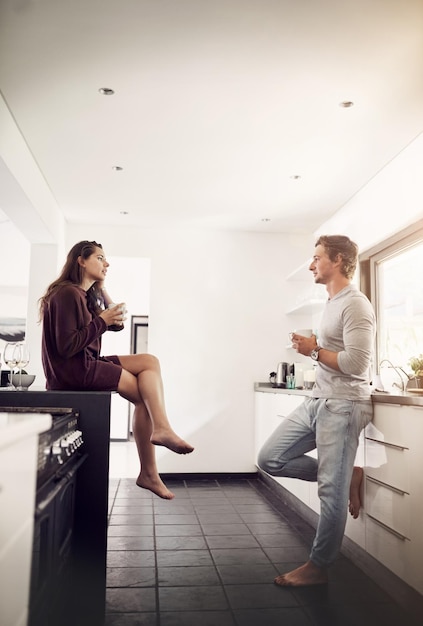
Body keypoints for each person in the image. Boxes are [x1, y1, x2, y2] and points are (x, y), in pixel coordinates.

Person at [258, 234, 375, 586]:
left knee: (330, 493)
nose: (311, 264)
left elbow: (357, 363)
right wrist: (312, 348)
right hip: (319, 400)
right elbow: (334, 354)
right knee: (269, 458)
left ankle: (318, 568)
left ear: (337, 261)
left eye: (317, 257)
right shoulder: (331, 303)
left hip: (344, 404)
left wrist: (312, 351)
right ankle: (346, 476)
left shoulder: (356, 304)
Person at [39, 240, 194, 500]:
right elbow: (66, 346)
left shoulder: (82, 295)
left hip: (85, 363)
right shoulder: (67, 293)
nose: (106, 263)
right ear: (80, 260)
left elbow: (118, 324)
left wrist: (100, 289)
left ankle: (159, 437)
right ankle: (151, 465)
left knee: (149, 362)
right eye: (100, 258)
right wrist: (101, 320)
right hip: (75, 370)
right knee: (146, 396)